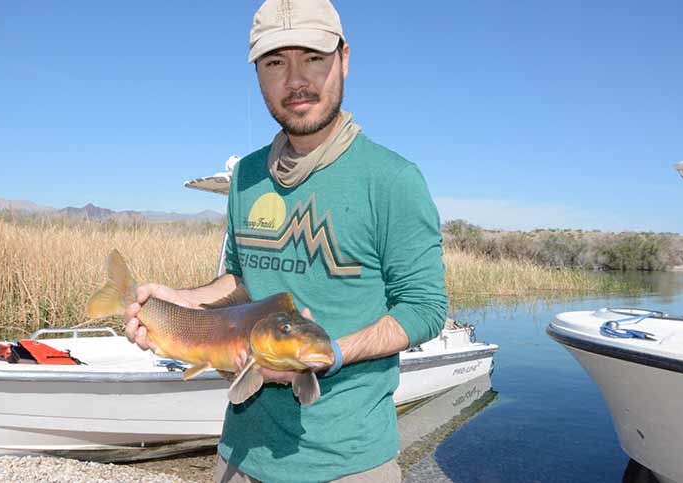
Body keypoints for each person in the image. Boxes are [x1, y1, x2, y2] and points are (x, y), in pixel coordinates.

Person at [124, 1, 447, 481]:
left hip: (348, 463)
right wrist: (182, 301)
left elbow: (424, 308)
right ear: (258, 73)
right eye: (276, 62)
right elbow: (240, 277)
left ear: (344, 58)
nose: (295, 80)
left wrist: (329, 353)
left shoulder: (392, 179)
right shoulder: (247, 175)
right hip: (240, 452)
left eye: (313, 57)